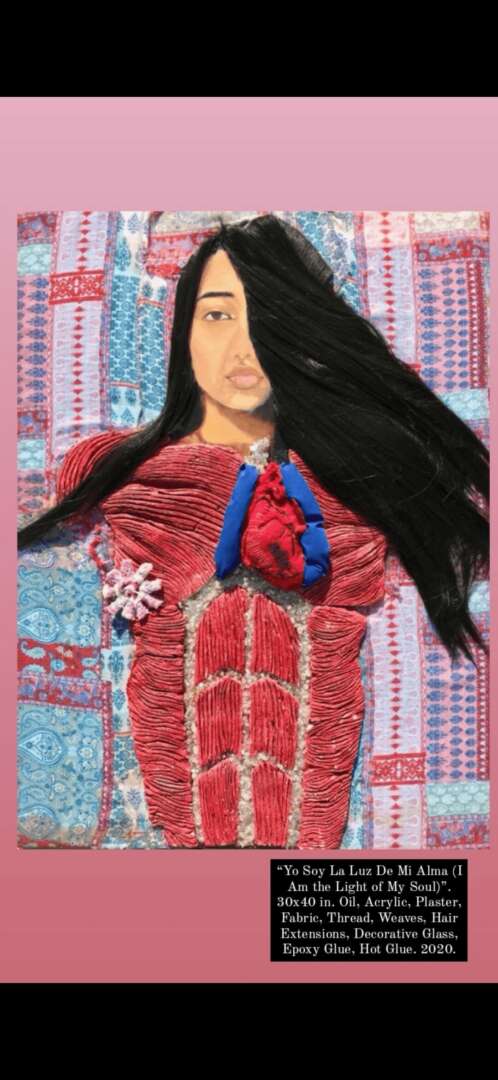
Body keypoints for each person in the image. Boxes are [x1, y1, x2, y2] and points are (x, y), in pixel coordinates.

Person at [17, 213, 489, 849]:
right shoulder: (132, 479)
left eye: (269, 316)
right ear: (183, 332)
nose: (243, 346)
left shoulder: (354, 485)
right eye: (217, 315)